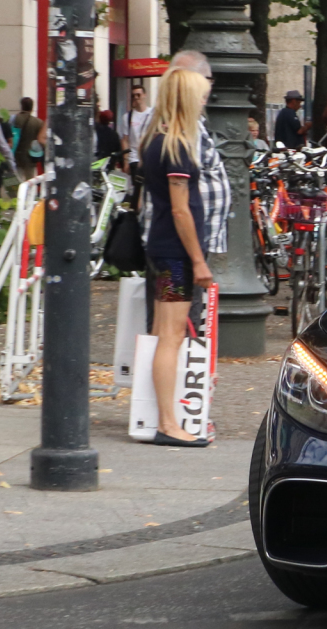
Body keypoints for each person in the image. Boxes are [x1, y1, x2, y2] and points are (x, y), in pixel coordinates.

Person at [141, 67, 213, 448]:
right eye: (200, 95)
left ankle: (158, 416)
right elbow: (181, 210)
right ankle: (168, 423)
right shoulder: (176, 148)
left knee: (161, 335)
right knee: (170, 336)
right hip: (175, 256)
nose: (204, 102)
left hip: (164, 250)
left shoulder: (157, 140)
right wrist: (198, 260)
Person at [121, 83, 153, 206]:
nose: (136, 98)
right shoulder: (127, 117)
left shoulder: (153, 114)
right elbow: (125, 139)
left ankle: (145, 208)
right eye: (133, 96)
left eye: (139, 95)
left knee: (149, 186)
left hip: (149, 156)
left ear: (144, 95)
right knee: (137, 186)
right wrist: (126, 161)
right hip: (134, 157)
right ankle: (137, 211)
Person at [12, 97, 44, 182]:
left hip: (15, 156)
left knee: (17, 182)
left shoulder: (13, 119)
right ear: (32, 107)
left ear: (21, 106)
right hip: (30, 157)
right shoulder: (38, 122)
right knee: (30, 182)